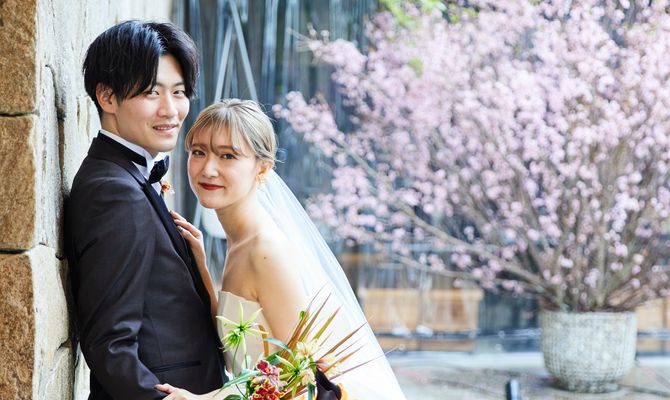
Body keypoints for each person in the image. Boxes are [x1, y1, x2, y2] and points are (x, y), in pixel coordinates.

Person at [155, 99, 407, 399]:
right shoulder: (241, 241)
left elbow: (301, 381)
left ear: (262, 168)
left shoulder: (266, 251)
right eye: (199, 152)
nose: (208, 169)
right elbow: (240, 350)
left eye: (227, 155)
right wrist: (202, 272)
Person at [65, 21, 225, 400]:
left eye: (179, 92)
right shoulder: (114, 191)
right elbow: (110, 343)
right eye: (152, 92)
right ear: (107, 96)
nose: (171, 110)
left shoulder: (129, 174)